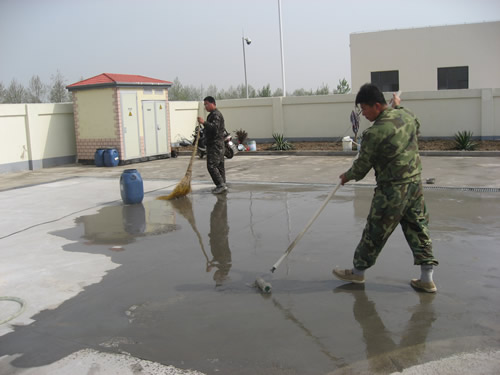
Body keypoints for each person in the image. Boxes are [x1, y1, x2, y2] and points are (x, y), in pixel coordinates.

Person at [333, 83, 439, 293]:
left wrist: (347, 176)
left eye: (364, 109)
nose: (363, 114)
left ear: (377, 106)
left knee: (375, 232)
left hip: (392, 192)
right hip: (414, 187)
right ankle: (427, 279)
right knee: (419, 228)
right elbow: (415, 125)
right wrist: (398, 106)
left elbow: (362, 167)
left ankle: (358, 273)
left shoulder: (375, 133)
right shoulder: (407, 117)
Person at [197, 96, 227, 194]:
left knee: (211, 166)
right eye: (204, 104)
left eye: (206, 104)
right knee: (219, 166)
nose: (205, 106)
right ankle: (222, 185)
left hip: (215, 145)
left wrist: (203, 122)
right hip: (215, 144)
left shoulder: (216, 115)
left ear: (212, 103)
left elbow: (214, 128)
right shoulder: (212, 115)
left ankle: (220, 185)